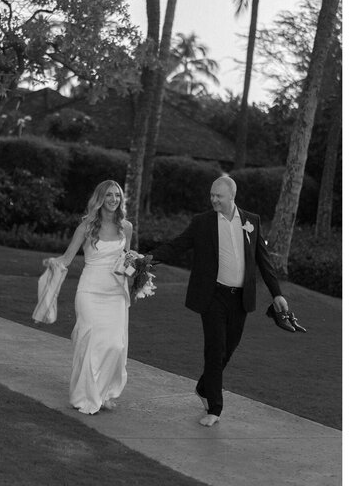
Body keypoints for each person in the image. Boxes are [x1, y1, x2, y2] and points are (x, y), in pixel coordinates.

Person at [147, 175, 288, 427]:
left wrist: (277, 293)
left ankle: (203, 386)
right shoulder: (202, 222)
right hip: (213, 296)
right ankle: (215, 407)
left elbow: (263, 261)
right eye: (211, 195)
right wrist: (148, 260)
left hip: (240, 299)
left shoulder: (251, 222)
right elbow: (177, 245)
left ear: (232, 196)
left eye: (218, 196)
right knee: (215, 349)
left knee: (228, 349)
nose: (213, 199)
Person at [46, 180, 134, 414]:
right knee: (91, 344)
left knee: (115, 345)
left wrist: (138, 275)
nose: (114, 199)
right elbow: (67, 259)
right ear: (99, 199)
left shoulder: (127, 227)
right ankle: (85, 396)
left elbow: (128, 261)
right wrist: (54, 264)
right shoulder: (86, 227)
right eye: (108, 196)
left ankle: (103, 392)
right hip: (90, 290)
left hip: (116, 293)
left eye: (117, 195)